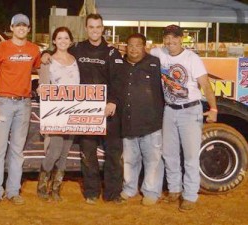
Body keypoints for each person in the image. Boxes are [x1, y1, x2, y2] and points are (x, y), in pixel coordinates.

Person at [42, 13, 124, 204]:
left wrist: (112, 101)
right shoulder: (78, 48)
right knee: (88, 154)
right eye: (91, 27)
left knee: (113, 153)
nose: (95, 30)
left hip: (108, 110)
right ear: (86, 29)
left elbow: (119, 81)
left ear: (103, 29)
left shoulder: (113, 52)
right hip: (84, 111)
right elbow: (58, 49)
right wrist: (43, 53)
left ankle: (113, 194)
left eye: (98, 27)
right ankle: (91, 192)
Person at [150, 24, 217, 211]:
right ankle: (174, 190)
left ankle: (190, 195)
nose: (170, 42)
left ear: (181, 39)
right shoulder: (159, 53)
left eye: (174, 38)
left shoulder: (192, 58)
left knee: (190, 156)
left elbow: (206, 84)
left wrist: (213, 109)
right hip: (169, 110)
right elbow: (140, 51)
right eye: (167, 38)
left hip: (190, 110)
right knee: (169, 153)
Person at [0, 13, 41, 206]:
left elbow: (41, 69)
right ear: (11, 27)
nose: (21, 28)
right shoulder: (0, 48)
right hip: (2, 103)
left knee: (17, 151)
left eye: (24, 26)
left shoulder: (34, 50)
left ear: (28, 29)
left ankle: (13, 191)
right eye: (18, 25)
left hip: (23, 104)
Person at [115, 33, 164, 206]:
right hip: (128, 121)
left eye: (138, 45)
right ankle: (129, 189)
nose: (134, 49)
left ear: (144, 47)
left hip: (151, 123)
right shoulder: (120, 65)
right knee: (129, 160)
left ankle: (151, 192)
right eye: (130, 45)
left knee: (153, 160)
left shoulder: (155, 63)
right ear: (125, 47)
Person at [36, 27, 80, 202]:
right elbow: (42, 86)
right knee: (54, 150)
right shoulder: (48, 61)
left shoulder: (75, 59)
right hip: (55, 112)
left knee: (64, 153)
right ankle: (42, 186)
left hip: (73, 111)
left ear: (70, 41)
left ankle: (55, 189)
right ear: (54, 41)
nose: (63, 41)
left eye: (66, 38)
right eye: (59, 38)